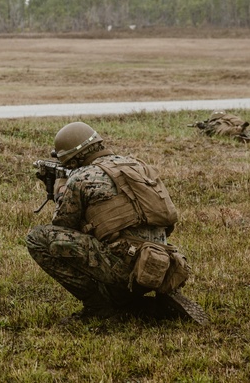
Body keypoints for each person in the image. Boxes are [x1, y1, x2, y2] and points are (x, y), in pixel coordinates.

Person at [26, 121, 208, 323]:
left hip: (125, 267)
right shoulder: (139, 166)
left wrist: (60, 192)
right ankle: (143, 300)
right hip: (160, 258)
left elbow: (62, 228)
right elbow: (167, 222)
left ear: (72, 159)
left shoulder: (80, 177)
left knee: (38, 238)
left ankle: (99, 307)